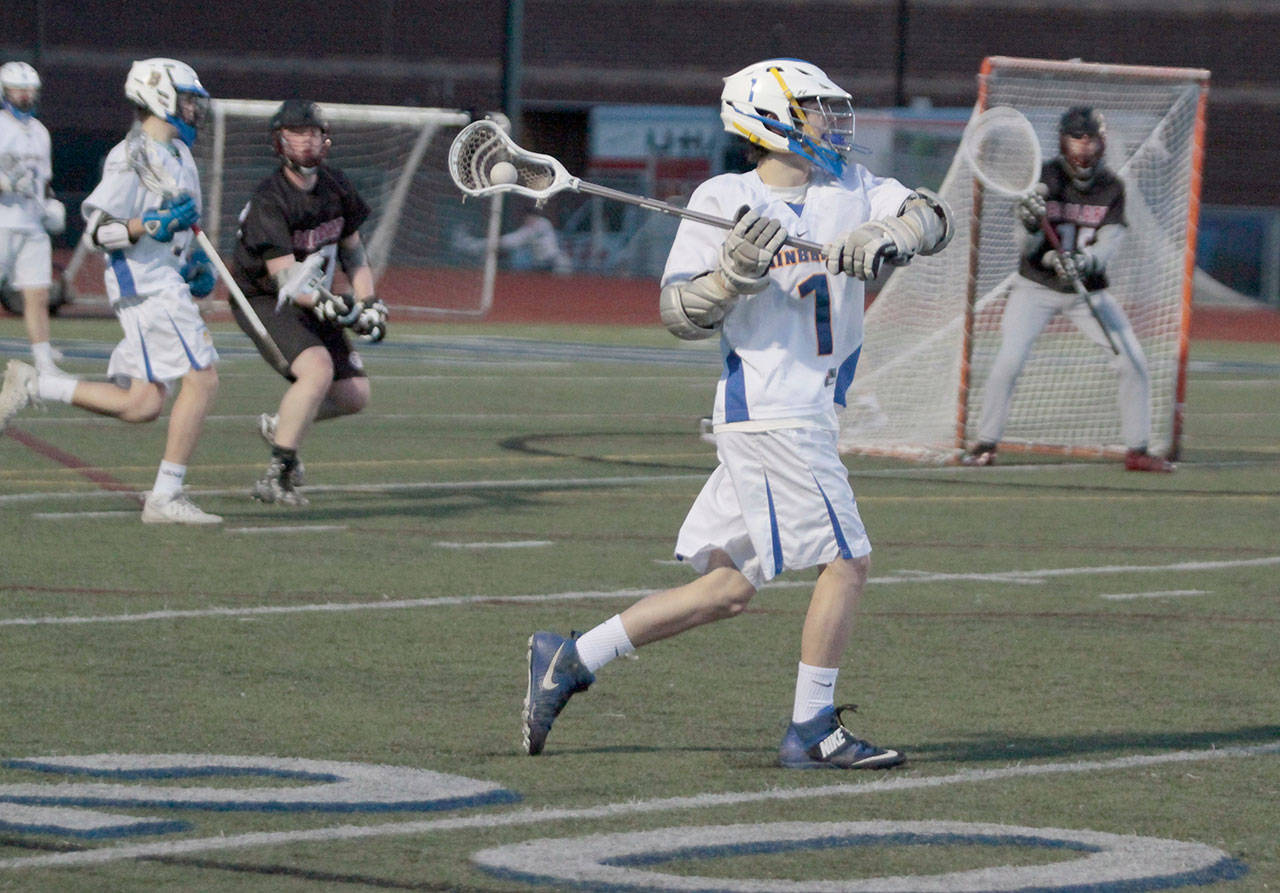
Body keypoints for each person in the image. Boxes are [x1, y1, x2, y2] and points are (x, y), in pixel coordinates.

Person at [521, 58, 953, 768]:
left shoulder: (853, 188)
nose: (830, 121)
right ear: (773, 118)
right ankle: (812, 728)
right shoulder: (723, 198)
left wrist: (889, 236)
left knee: (726, 589)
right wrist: (729, 277)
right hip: (773, 410)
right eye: (814, 108)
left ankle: (569, 657)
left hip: (804, 411)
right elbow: (678, 313)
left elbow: (933, 215)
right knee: (847, 561)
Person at [0, 57, 222, 524]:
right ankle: (164, 497)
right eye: (186, 100)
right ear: (160, 96)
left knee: (142, 403)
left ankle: (36, 383)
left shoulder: (180, 155)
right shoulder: (130, 156)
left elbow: (180, 231)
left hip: (164, 279)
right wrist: (149, 225)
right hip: (144, 284)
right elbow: (99, 232)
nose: (194, 109)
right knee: (202, 378)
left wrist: (191, 265)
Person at [962, 106, 1174, 473]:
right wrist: (1031, 226)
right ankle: (985, 444)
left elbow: (1110, 241)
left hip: (1087, 291)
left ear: (1101, 143)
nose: (1084, 146)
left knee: (1132, 361)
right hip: (1035, 287)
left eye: (1090, 139)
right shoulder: (1043, 179)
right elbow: (1025, 246)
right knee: (1008, 362)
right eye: (1077, 138)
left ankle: (1138, 450)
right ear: (1064, 141)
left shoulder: (1112, 187)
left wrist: (1085, 261)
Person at [228, 99, 386, 507]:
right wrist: (332, 305)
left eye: (312, 133)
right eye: (296, 133)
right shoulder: (270, 199)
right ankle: (278, 474)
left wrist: (368, 301)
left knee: (353, 395)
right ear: (279, 141)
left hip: (314, 296)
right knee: (317, 369)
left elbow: (353, 252)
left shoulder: (336, 186)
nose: (306, 141)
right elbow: (286, 281)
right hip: (265, 298)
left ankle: (283, 425)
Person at [0, 61, 68, 378]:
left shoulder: (40, 132)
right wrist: (5, 184)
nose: (25, 96)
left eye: (29, 90)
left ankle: (43, 362)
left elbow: (44, 180)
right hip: (2, 223)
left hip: (32, 225)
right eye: (18, 89)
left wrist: (50, 204)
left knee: (38, 294)